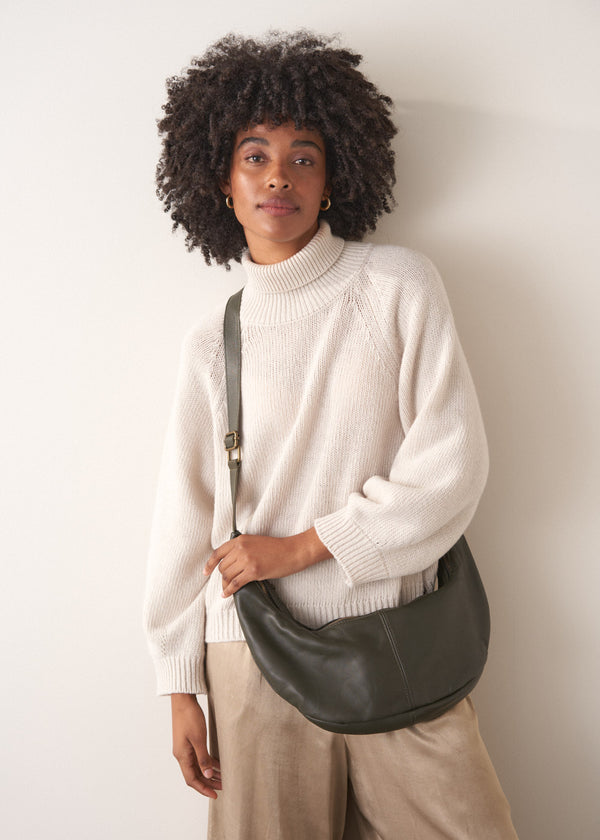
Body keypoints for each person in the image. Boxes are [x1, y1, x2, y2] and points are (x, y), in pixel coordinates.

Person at [144, 31, 518, 839]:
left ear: (334, 175)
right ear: (221, 177)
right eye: (255, 154)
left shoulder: (397, 285)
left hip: (399, 641)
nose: (278, 174)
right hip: (251, 660)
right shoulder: (215, 340)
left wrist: (305, 544)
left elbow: (453, 465)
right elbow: (185, 515)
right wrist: (180, 683)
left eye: (303, 156)